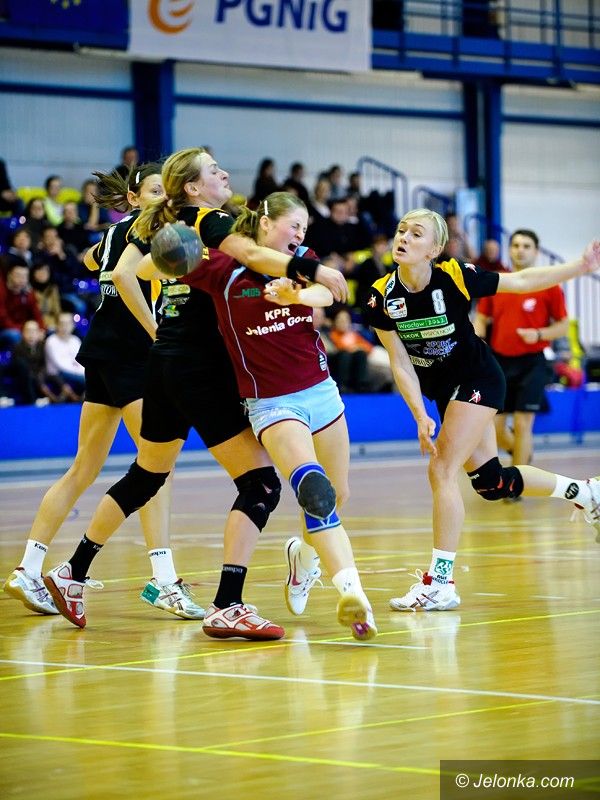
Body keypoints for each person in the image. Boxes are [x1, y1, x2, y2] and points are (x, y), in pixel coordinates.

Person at [41, 148, 348, 639]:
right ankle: (228, 604)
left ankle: (71, 571)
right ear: (193, 187)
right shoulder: (208, 219)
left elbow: (130, 273)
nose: (224, 174)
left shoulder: (161, 223)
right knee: (261, 484)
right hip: (201, 368)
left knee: (146, 475)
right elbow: (253, 256)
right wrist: (310, 269)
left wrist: (167, 293)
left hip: (164, 359)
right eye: (213, 170)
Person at [362, 208, 600, 611]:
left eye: (416, 233)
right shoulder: (380, 295)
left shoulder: (454, 275)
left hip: (478, 378)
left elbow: (520, 281)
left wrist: (579, 266)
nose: (404, 237)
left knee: (441, 470)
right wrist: (419, 413)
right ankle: (586, 492)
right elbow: (400, 362)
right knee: (492, 484)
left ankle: (440, 582)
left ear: (434, 249)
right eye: (402, 230)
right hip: (443, 391)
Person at [2, 164, 204, 622]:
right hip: (134, 357)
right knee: (157, 468)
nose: (163, 197)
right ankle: (164, 580)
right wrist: (157, 332)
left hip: (102, 354)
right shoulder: (152, 232)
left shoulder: (115, 234)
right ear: (134, 198)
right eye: (154, 191)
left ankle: (28, 569)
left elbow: (92, 260)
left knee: (84, 469)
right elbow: (127, 278)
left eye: (165, 191)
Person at [173, 190, 377, 640]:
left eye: (305, 228)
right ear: (265, 223)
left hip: (321, 392)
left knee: (339, 492)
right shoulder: (222, 269)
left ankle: (303, 559)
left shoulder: (300, 262)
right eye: (294, 225)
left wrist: (295, 295)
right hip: (272, 402)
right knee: (315, 490)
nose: (300, 234)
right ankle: (354, 595)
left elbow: (326, 292)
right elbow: (159, 264)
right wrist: (162, 231)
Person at [474, 228, 568, 467]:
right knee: (496, 428)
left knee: (523, 423)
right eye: (516, 245)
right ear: (509, 250)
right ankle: (522, 455)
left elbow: (563, 326)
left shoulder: (549, 285)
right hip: (500, 363)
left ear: (536, 252)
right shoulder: (497, 282)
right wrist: (477, 338)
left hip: (533, 362)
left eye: (526, 246)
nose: (520, 250)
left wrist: (539, 334)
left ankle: (518, 479)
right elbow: (481, 318)